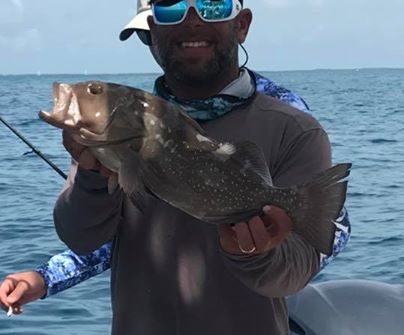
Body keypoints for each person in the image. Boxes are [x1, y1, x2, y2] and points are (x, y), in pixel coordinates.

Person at [0, 0, 351, 330]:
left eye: (214, 5)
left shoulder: (293, 127)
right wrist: (89, 182)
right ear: (151, 34)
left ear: (242, 25)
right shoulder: (122, 125)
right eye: (171, 7)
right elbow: (87, 237)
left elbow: (306, 257)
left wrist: (255, 253)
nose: (192, 19)